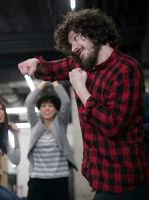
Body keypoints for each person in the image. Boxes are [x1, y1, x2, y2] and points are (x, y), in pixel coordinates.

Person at [18, 9, 149, 200]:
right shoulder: (83, 64)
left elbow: (113, 126)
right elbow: (54, 69)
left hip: (126, 181)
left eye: (77, 37)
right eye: (70, 42)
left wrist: (81, 89)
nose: (73, 48)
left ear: (96, 32)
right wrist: (36, 64)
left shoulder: (126, 69)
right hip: (101, 178)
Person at [25, 80, 76, 200]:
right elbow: (28, 103)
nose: (47, 109)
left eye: (50, 105)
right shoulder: (35, 123)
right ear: (40, 109)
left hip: (59, 178)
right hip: (37, 178)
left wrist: (55, 83)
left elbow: (67, 102)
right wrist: (40, 86)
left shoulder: (61, 123)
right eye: (43, 106)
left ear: (56, 109)